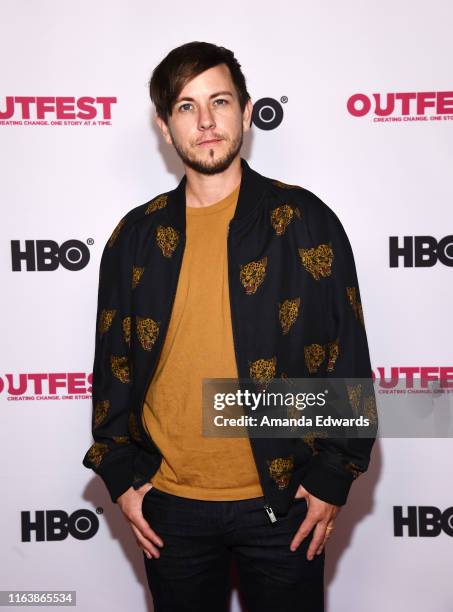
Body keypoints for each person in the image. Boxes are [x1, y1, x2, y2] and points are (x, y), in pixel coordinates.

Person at [82, 41, 377, 612]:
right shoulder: (134, 238)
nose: (207, 120)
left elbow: (348, 354)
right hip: (168, 502)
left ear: (246, 112)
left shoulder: (305, 221)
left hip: (285, 499)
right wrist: (120, 475)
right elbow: (112, 367)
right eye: (186, 106)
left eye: (219, 100)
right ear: (166, 128)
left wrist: (332, 476)